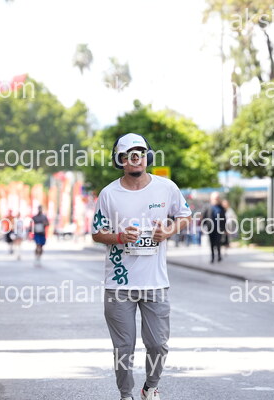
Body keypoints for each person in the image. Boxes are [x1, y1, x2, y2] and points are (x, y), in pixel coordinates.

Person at [91, 133, 192, 400]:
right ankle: (126, 394)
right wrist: (120, 237)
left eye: (140, 153)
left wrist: (168, 231)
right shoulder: (109, 194)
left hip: (155, 282)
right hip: (119, 284)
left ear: (148, 157)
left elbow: (185, 215)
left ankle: (150, 386)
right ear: (120, 160)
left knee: (158, 344)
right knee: (123, 348)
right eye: (128, 155)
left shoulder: (166, 188)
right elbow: (97, 233)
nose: (135, 159)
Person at [202, 192, 226, 263]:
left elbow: (224, 218)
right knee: (212, 242)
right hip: (210, 228)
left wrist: (224, 228)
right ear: (211, 198)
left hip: (219, 228)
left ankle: (219, 256)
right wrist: (204, 226)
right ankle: (212, 257)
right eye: (215, 198)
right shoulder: (207, 206)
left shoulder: (221, 207)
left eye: (217, 198)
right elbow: (204, 217)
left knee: (218, 242)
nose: (216, 199)